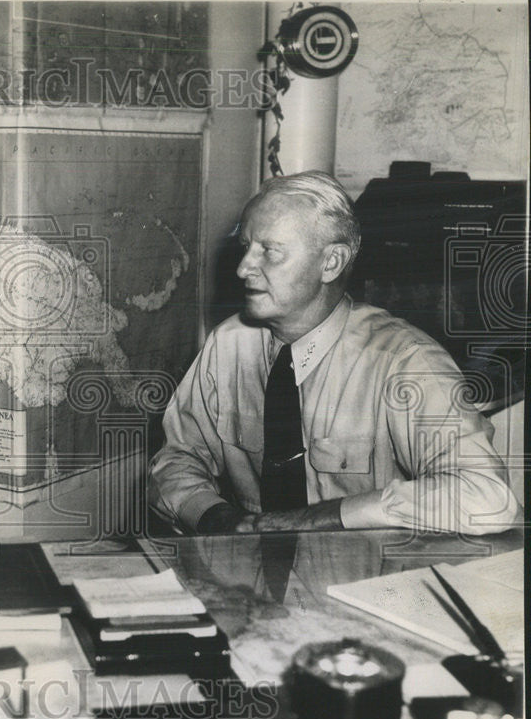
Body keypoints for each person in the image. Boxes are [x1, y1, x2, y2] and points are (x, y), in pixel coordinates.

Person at [149, 171, 520, 537]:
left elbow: (488, 497)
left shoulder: (405, 362)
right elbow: (176, 459)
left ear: (331, 263)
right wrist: (215, 517)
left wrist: (318, 519)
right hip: (250, 579)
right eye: (246, 246)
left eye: (269, 252)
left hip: (368, 582)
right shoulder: (228, 344)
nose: (243, 267)